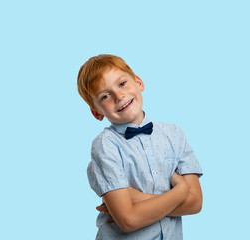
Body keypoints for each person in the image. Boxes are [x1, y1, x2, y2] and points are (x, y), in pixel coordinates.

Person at [77, 54, 203, 239]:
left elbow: (195, 203)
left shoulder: (174, 134)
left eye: (122, 84)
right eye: (105, 96)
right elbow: (128, 220)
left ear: (139, 83)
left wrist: (136, 200)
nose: (119, 96)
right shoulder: (105, 146)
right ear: (97, 113)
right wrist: (181, 191)